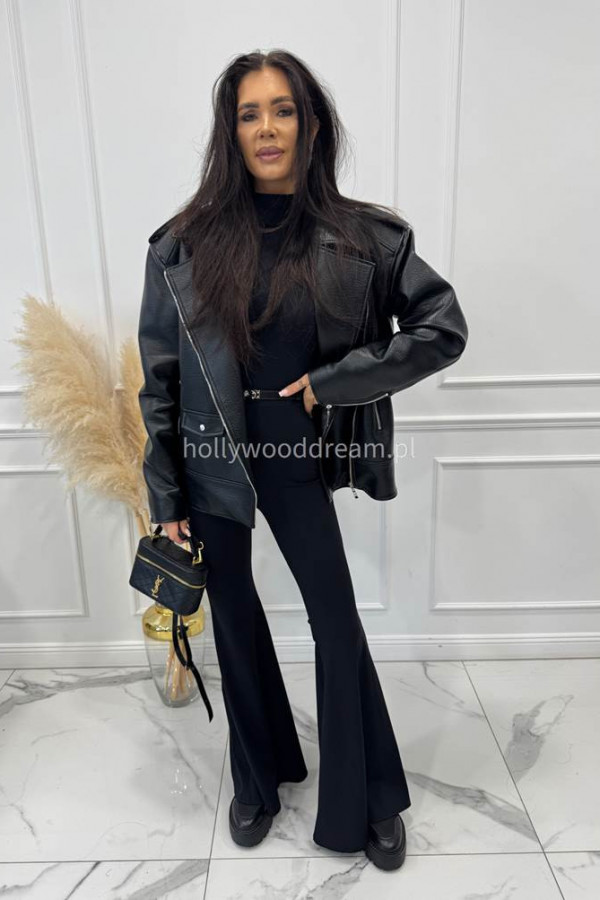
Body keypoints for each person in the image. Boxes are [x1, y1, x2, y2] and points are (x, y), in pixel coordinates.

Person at [137, 49, 468, 872]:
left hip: (291, 446)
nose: (267, 128)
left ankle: (371, 795)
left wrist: (332, 383)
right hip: (213, 453)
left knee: (334, 618)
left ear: (310, 124)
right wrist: (165, 491)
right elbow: (161, 379)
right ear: (231, 131)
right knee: (235, 617)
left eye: (282, 109)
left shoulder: (364, 238)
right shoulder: (182, 245)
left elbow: (441, 327)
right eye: (249, 113)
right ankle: (259, 776)